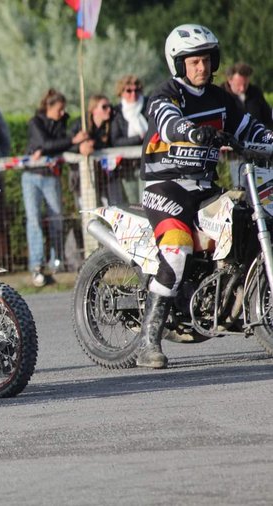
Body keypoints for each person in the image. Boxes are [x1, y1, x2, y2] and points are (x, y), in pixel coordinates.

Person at [137, 24, 273, 369]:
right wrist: (194, 132)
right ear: (179, 64)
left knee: (241, 218)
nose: (202, 67)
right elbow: (168, 123)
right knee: (178, 250)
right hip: (165, 187)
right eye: (194, 61)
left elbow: (249, 127)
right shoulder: (165, 95)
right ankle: (148, 342)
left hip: (203, 188)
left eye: (207, 60)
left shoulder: (221, 98)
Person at [25, 89, 89, 287]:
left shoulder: (62, 123)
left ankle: (56, 262)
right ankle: (37, 265)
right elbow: (45, 143)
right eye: (59, 109)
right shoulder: (35, 122)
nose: (63, 114)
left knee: (56, 219)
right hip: (31, 176)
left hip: (51, 177)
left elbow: (54, 146)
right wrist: (68, 142)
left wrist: (74, 145)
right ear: (49, 107)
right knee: (34, 220)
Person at [111, 75, 149, 204]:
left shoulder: (148, 106)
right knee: (133, 203)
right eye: (128, 91)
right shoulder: (116, 112)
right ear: (121, 92)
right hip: (127, 167)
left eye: (136, 90)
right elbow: (116, 141)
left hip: (147, 163)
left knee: (147, 201)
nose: (133, 94)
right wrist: (139, 138)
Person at [221, 62, 273, 128]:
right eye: (238, 85)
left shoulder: (256, 93)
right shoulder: (221, 95)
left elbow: (268, 118)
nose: (242, 89)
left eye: (245, 84)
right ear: (230, 80)